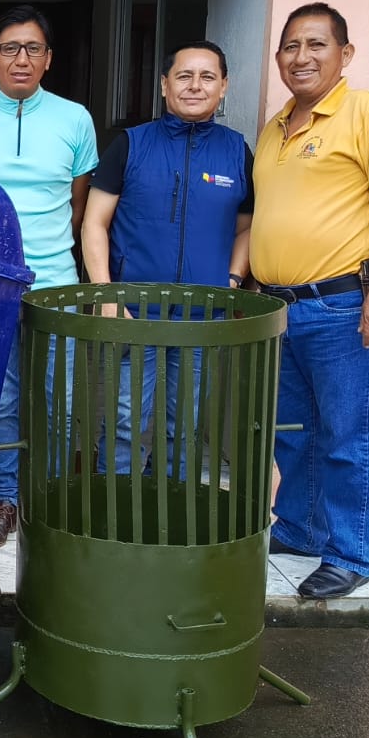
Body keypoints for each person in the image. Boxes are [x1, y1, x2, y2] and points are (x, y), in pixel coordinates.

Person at [252, 3, 369, 600]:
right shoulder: (275, 128)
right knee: (295, 431)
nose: (301, 57)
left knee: (351, 434)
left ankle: (350, 552)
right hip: (280, 308)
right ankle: (300, 529)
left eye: (316, 44)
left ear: (345, 54)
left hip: (342, 306)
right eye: (291, 46)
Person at [0, 6, 97, 548]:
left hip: (56, 284)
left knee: (60, 399)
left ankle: (47, 499)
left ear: (49, 58)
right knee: (0, 399)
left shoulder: (75, 120)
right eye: (9, 48)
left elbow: (77, 206)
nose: (21, 58)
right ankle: (6, 501)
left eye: (33, 48)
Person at [81, 41, 252, 478]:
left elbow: (248, 227)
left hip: (201, 315)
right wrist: (105, 293)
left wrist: (233, 280)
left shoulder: (237, 151)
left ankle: (170, 507)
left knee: (184, 427)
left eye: (207, 77)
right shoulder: (131, 144)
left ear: (224, 86)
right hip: (134, 312)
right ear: (164, 84)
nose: (195, 86)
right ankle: (115, 507)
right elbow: (94, 223)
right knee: (125, 422)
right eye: (184, 76)